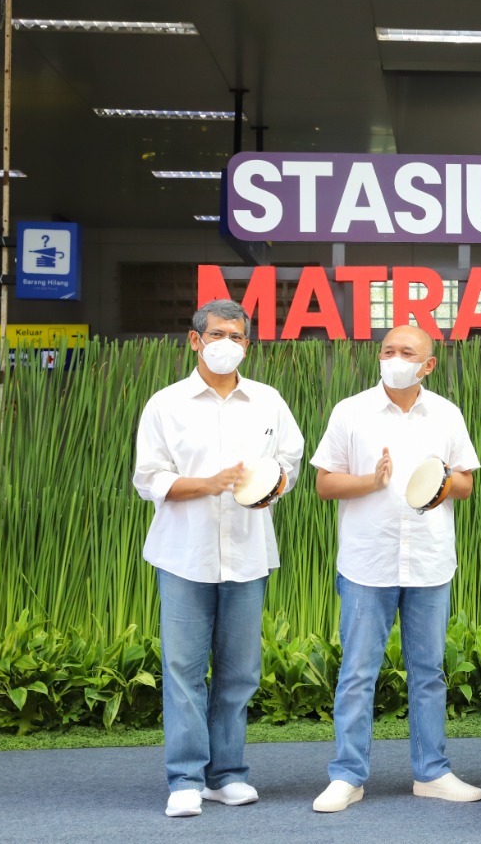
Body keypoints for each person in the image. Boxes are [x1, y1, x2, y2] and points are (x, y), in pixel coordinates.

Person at [133, 299, 304, 818]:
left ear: (247, 345)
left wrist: (273, 488)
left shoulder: (269, 401)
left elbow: (290, 462)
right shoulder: (166, 403)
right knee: (184, 668)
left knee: (239, 671)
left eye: (237, 336)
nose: (227, 344)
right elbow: (149, 478)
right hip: (184, 554)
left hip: (248, 553)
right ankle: (185, 778)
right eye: (218, 334)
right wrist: (207, 485)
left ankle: (226, 774)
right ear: (195, 340)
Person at [310, 325, 481, 812]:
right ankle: (347, 775)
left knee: (428, 673)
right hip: (368, 562)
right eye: (388, 350)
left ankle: (432, 772)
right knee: (357, 672)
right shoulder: (351, 411)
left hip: (429, 562)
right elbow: (324, 484)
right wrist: (372, 480)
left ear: (428, 364)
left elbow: (466, 482)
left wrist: (439, 484)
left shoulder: (446, 414)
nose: (396, 357)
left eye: (408, 351)